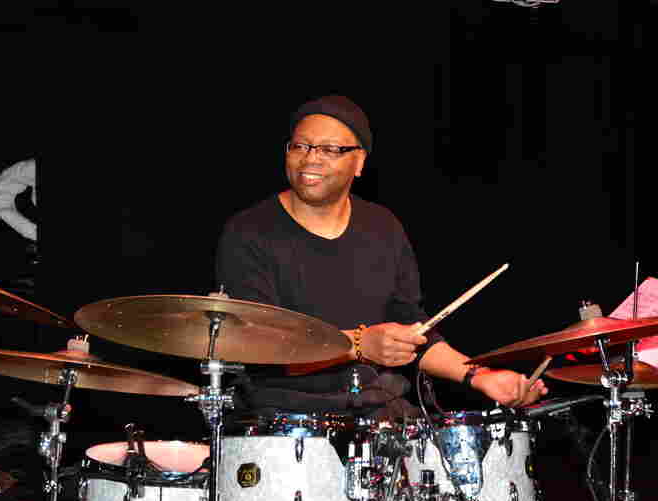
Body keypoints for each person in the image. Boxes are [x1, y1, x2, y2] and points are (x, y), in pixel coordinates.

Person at [216, 95, 547, 409]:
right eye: (300, 146)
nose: (310, 158)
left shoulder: (382, 226)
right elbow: (263, 344)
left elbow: (413, 331)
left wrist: (480, 376)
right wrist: (358, 346)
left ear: (359, 162)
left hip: (375, 414)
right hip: (282, 420)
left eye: (330, 149)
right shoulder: (248, 232)